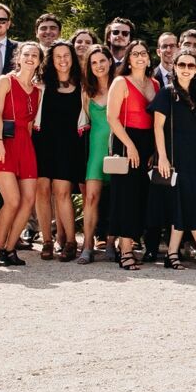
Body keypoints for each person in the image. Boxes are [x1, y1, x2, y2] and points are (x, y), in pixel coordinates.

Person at [151, 51, 196, 271]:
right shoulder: (166, 94)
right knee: (186, 202)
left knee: (192, 200)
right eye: (182, 64)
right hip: (174, 157)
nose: (186, 68)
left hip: (195, 157)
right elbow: (158, 127)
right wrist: (162, 156)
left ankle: (172, 254)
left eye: (191, 65)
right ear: (175, 66)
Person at [0, 41, 43, 267]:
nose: (30, 58)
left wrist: (29, 150)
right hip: (3, 143)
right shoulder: (6, 81)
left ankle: (10, 250)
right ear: (18, 58)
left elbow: (28, 125)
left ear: (39, 61)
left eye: (35, 55)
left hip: (24, 145)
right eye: (26, 54)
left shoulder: (37, 91)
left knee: (28, 201)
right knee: (12, 200)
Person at [102, 42, 158, 271]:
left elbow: (157, 119)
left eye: (143, 53)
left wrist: (155, 149)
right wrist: (131, 146)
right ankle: (125, 251)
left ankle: (133, 244)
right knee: (126, 196)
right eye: (134, 54)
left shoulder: (154, 83)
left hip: (148, 142)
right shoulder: (120, 81)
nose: (139, 57)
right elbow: (111, 118)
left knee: (142, 196)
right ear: (128, 58)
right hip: (126, 141)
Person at [32, 41, 86, 261]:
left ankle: (71, 242)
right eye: (57, 57)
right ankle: (47, 240)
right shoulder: (41, 85)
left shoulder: (82, 86)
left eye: (66, 56)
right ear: (51, 60)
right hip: (42, 143)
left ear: (73, 58)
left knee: (62, 193)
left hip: (68, 146)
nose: (62, 60)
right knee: (42, 191)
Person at [76, 45, 115, 264]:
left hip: (117, 149)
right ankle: (88, 245)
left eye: (102, 60)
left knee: (116, 198)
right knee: (91, 198)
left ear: (110, 61)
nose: (99, 65)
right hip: (95, 150)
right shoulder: (86, 91)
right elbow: (85, 122)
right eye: (94, 62)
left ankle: (110, 244)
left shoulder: (120, 86)